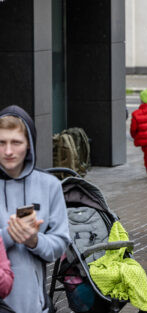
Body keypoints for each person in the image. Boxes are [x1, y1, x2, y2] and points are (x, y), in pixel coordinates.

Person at [0, 105, 70, 313]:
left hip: (32, 304)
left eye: (16, 142)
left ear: (29, 144)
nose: (9, 151)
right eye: (1, 142)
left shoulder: (49, 185)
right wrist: (9, 236)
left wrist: (35, 241)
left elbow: (60, 243)